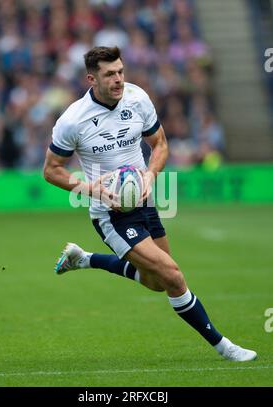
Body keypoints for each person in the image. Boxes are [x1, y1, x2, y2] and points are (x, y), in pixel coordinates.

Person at [43, 46, 256, 362]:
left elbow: (160, 145)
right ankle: (224, 346)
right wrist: (92, 190)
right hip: (111, 214)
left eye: (120, 71)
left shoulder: (137, 98)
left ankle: (84, 259)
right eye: (109, 74)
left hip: (145, 202)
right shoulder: (73, 120)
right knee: (172, 276)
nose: (118, 80)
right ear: (91, 79)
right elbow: (51, 170)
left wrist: (150, 175)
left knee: (156, 282)